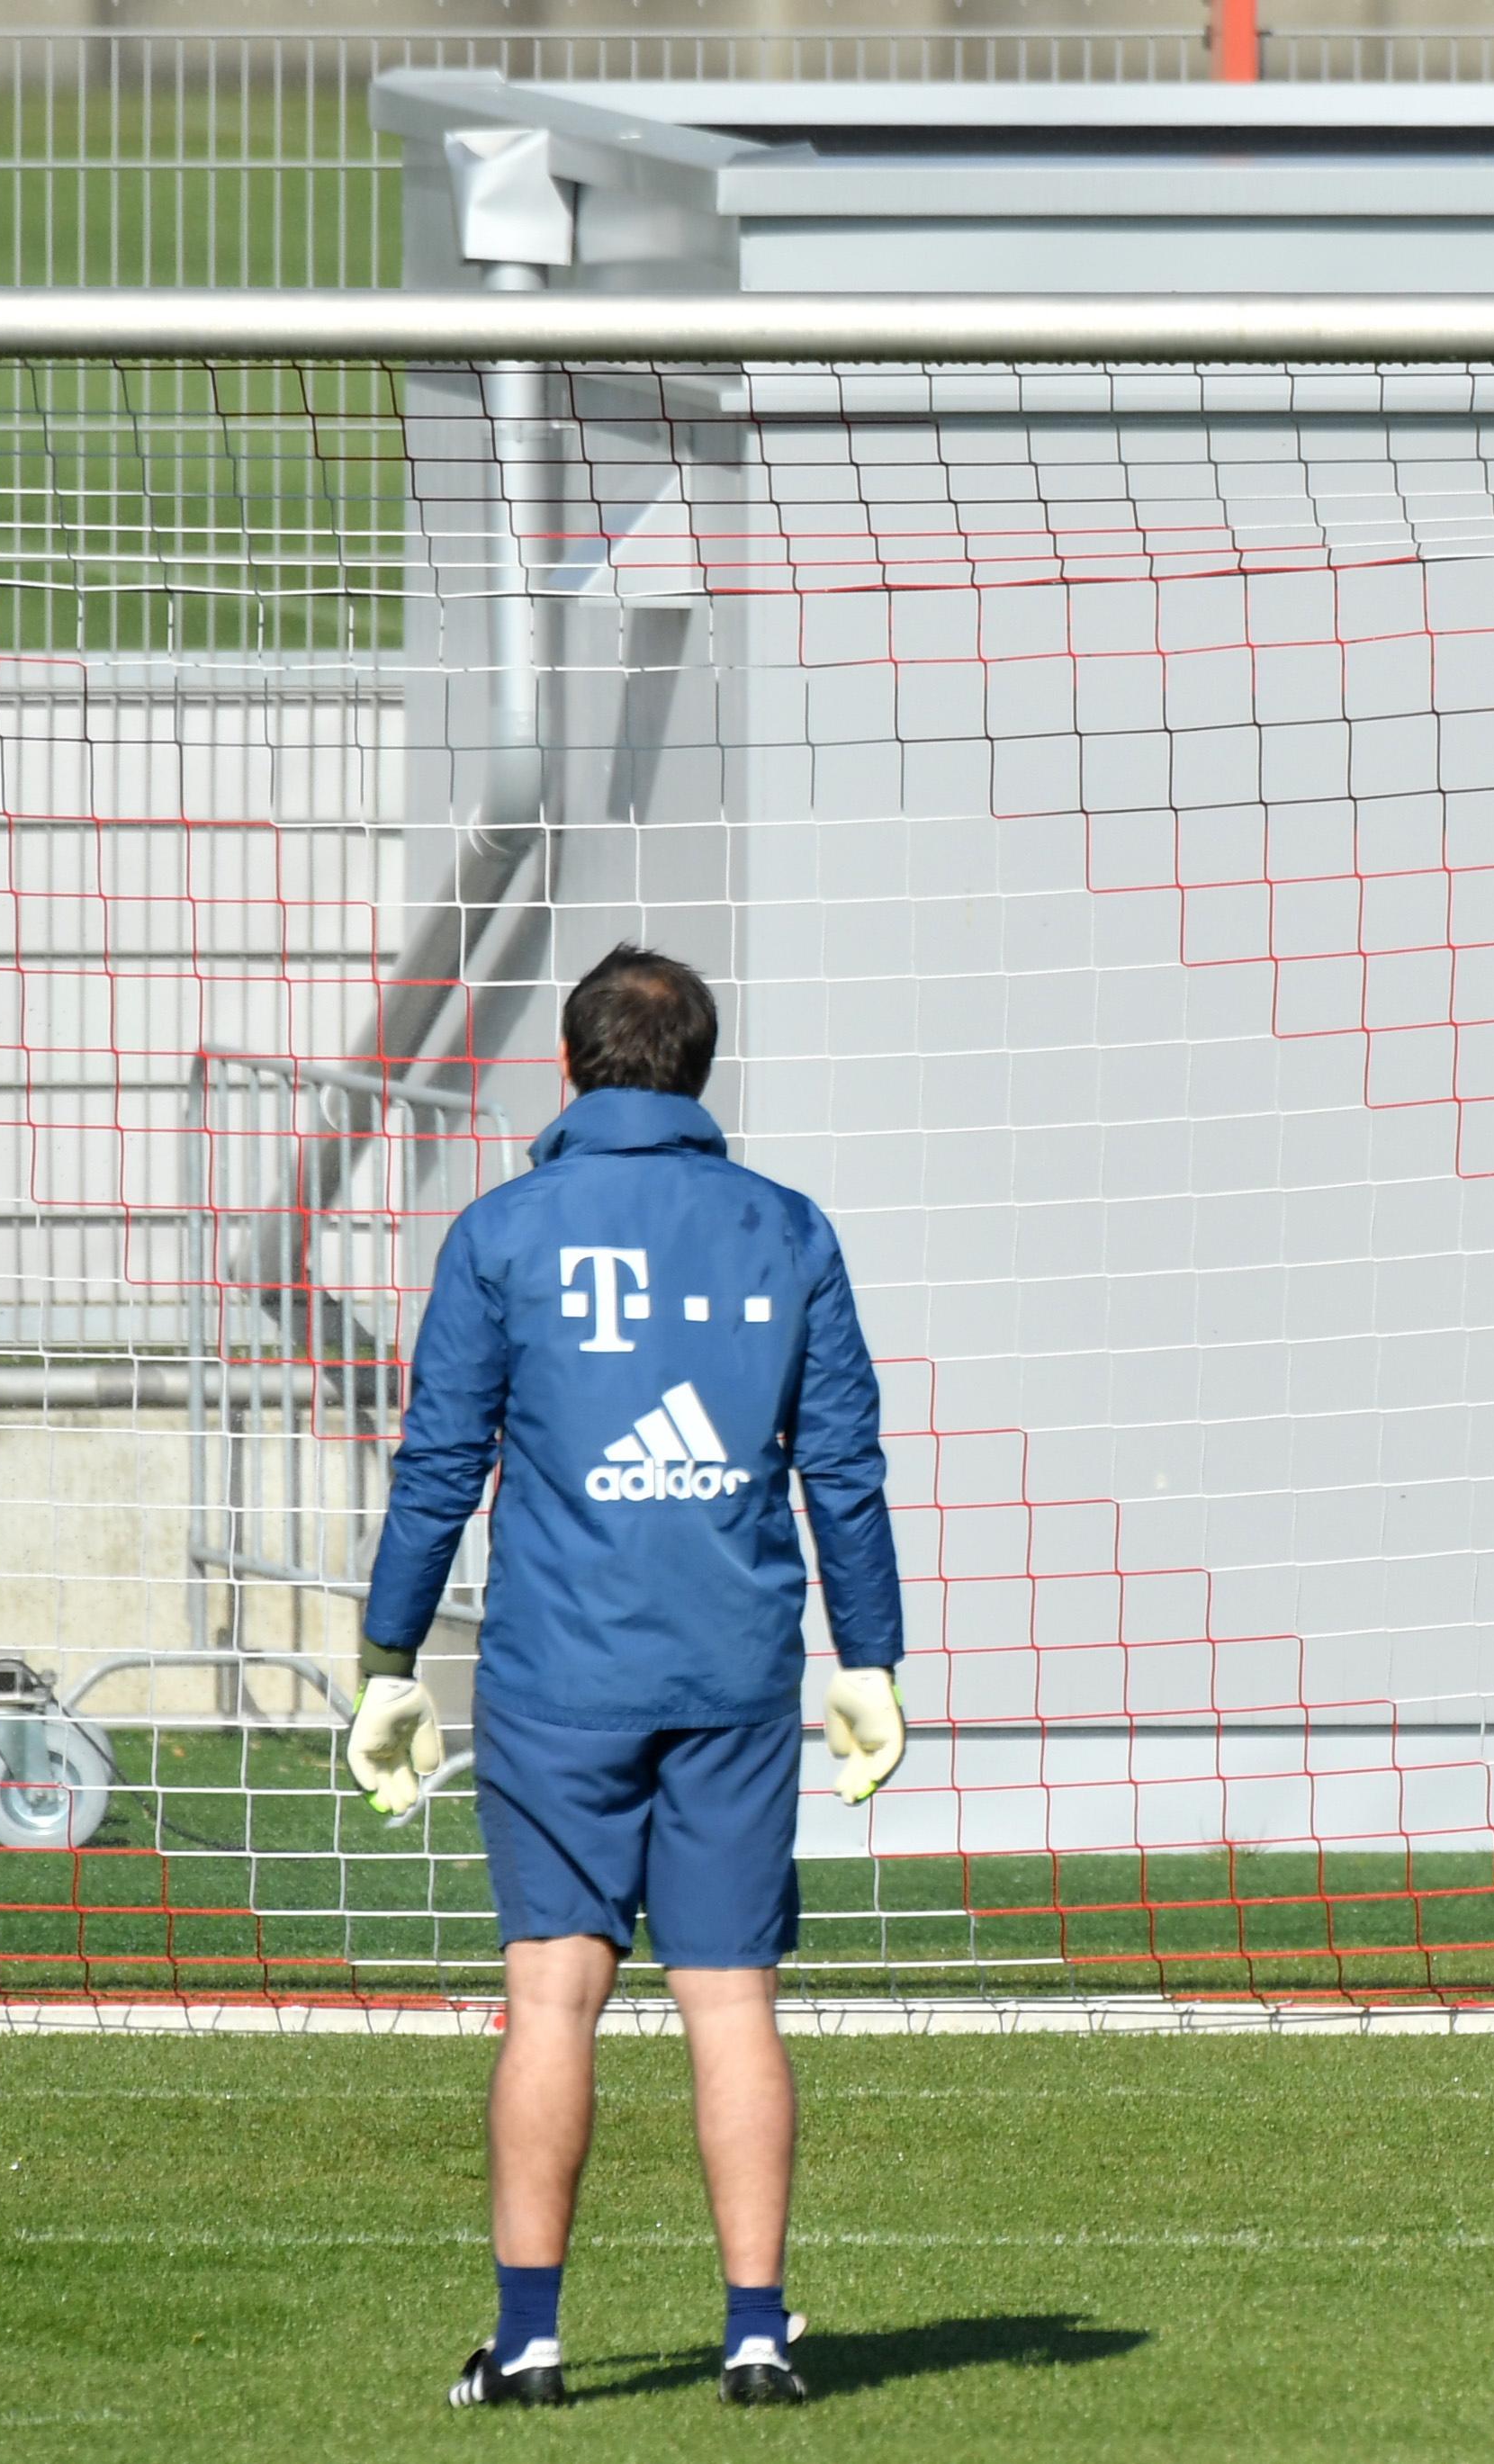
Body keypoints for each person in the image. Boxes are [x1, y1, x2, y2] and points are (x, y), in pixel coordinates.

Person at [349, 943, 912, 2407]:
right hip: (733, 1672)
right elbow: (841, 1469)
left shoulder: (501, 1231)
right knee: (732, 2002)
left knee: (551, 2000)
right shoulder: (789, 1230)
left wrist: (386, 1656)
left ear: (572, 1069)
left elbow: (436, 1469)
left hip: (556, 1676)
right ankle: (756, 2334)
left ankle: (529, 2344)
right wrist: (873, 1658)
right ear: (702, 1074)